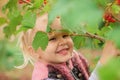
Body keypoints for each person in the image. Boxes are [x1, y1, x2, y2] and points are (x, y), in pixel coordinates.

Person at [19, 13, 120, 80]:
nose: (63, 41)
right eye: (52, 39)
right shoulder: (45, 77)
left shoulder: (73, 59)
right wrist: (103, 65)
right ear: (34, 51)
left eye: (65, 35)